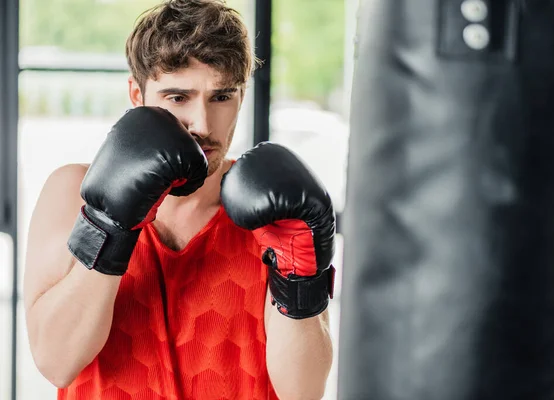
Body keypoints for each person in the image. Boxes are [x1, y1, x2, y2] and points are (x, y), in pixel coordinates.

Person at [22, 1, 336, 399]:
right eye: (178, 97)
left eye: (221, 97)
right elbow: (56, 362)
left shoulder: (271, 211)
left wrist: (299, 276)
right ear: (137, 94)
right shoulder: (72, 193)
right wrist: (109, 227)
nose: (202, 125)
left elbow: (303, 392)